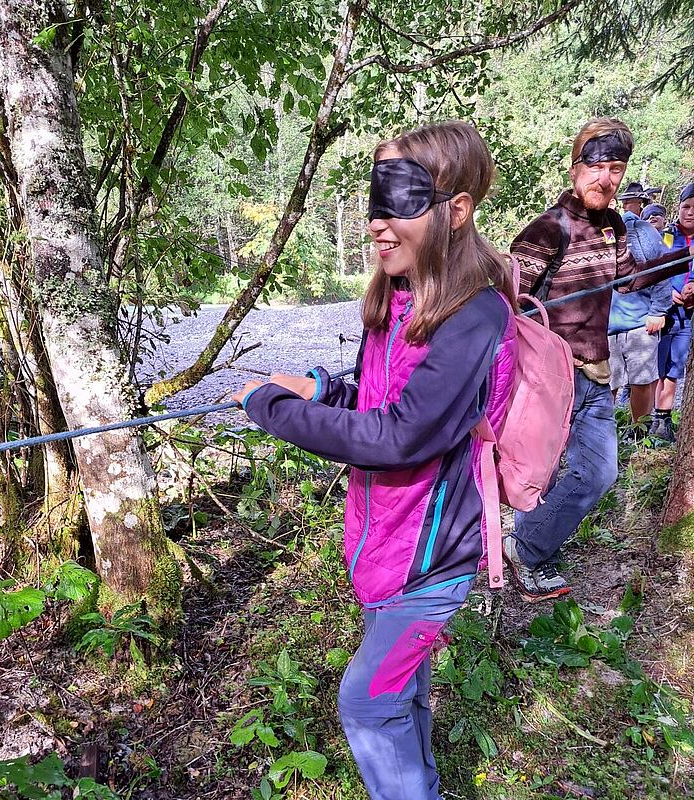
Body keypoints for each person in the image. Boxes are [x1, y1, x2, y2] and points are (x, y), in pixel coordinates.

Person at [232, 121, 519, 800]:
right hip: (386, 546)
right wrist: (323, 388)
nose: (379, 224)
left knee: (367, 701)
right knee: (399, 692)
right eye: (375, 202)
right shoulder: (402, 298)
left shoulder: (474, 318)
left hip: (431, 564)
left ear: (457, 210)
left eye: (401, 202)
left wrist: (269, 409)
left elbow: (399, 435)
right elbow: (387, 397)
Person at [505, 118, 693, 602]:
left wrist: (683, 268)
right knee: (535, 472)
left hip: (597, 372)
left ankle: (525, 546)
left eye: (616, 168)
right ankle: (516, 552)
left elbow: (628, 280)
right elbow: (507, 303)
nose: (605, 179)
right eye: (595, 167)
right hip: (551, 375)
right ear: (574, 170)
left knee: (600, 471)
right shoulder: (547, 229)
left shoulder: (613, 225)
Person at [608, 182, 671, 424]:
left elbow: (661, 270)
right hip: (608, 323)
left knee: (641, 381)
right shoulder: (603, 229)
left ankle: (639, 432)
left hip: (639, 321)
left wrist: (657, 311)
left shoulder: (645, 231)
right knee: (606, 382)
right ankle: (604, 432)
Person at [651, 182, 694, 441]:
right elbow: (652, 271)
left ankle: (664, 419)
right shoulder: (665, 237)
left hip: (686, 316)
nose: (690, 212)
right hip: (662, 313)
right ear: (677, 208)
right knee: (657, 364)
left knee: (675, 366)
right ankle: (649, 421)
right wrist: (668, 293)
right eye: (686, 207)